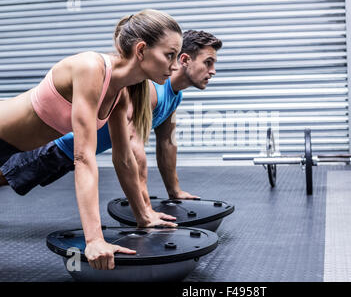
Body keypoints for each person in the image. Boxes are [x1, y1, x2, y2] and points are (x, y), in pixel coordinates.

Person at [0, 9, 182, 270]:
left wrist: (144, 215)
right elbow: (83, 157)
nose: (175, 66)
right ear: (141, 50)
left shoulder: (120, 93)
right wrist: (94, 239)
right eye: (170, 55)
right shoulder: (90, 68)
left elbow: (123, 158)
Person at [0, 30, 222, 209]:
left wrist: (175, 192)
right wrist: (144, 209)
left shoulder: (175, 96)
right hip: (55, 145)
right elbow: (133, 148)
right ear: (185, 59)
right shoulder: (153, 90)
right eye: (208, 62)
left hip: (70, 153)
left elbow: (167, 143)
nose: (213, 71)